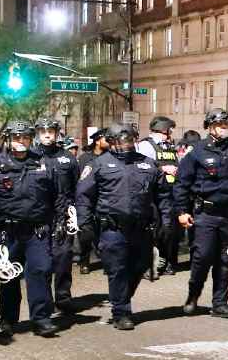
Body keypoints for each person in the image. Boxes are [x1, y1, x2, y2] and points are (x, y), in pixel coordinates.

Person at [0, 120, 66, 340]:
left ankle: (42, 319)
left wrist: (61, 221)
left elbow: (59, 196)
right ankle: (7, 320)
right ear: (8, 139)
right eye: (16, 137)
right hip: (6, 232)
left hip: (37, 231)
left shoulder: (45, 164)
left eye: (24, 137)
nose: (21, 142)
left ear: (30, 139)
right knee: (8, 277)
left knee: (41, 272)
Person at [173, 109, 228, 318]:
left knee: (225, 260)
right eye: (220, 125)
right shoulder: (197, 151)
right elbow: (181, 184)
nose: (224, 128)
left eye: (227, 125)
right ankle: (193, 296)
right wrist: (181, 211)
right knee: (202, 257)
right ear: (210, 127)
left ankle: (219, 303)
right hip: (205, 213)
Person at [76, 124, 160, 330]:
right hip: (112, 229)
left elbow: (163, 195)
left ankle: (121, 297)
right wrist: (84, 224)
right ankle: (121, 312)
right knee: (117, 270)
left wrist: (165, 220)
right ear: (112, 143)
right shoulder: (98, 164)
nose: (127, 145)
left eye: (130, 140)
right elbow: (84, 196)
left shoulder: (148, 164)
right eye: (122, 141)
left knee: (141, 265)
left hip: (141, 228)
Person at [32, 118, 77, 309]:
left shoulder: (68, 158)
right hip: (39, 215)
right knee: (42, 260)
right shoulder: (31, 157)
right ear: (37, 134)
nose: (47, 134)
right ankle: (45, 300)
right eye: (43, 131)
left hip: (63, 214)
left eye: (50, 131)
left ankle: (63, 295)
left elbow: (76, 186)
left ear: (57, 133)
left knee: (63, 256)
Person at [140, 116, 182, 274]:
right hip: (153, 195)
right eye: (169, 129)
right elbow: (143, 166)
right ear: (163, 129)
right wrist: (162, 169)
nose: (171, 132)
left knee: (169, 229)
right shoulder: (146, 145)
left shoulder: (168, 146)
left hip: (169, 193)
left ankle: (167, 261)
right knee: (153, 230)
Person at [76, 127, 112, 273]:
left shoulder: (110, 156)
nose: (109, 142)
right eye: (106, 139)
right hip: (86, 200)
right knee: (86, 234)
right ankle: (84, 261)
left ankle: (106, 261)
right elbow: (79, 179)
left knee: (104, 233)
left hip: (103, 200)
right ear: (98, 141)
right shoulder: (84, 158)